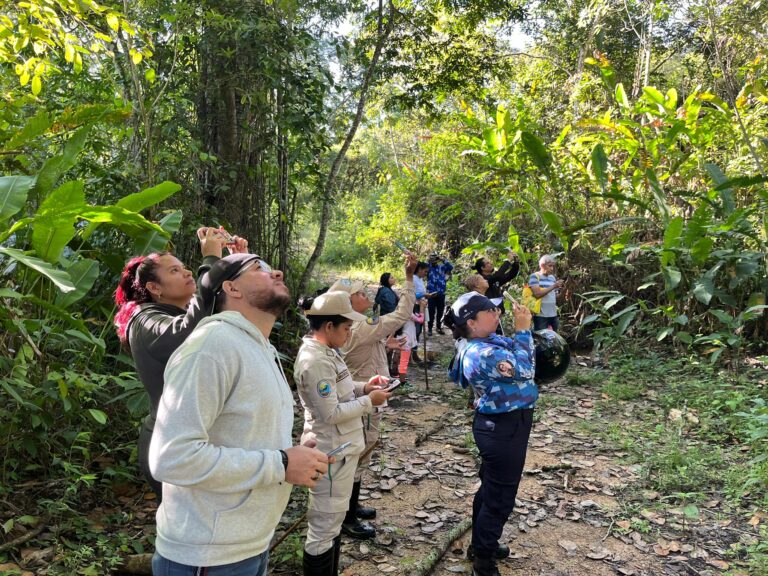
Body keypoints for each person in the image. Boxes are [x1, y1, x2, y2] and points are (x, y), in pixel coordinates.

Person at [149, 253, 330, 575]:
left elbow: (243, 434)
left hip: (245, 544)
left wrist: (294, 453)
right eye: (258, 268)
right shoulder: (212, 347)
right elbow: (170, 457)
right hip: (205, 555)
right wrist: (282, 463)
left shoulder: (258, 347)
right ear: (231, 288)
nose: (276, 271)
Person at [113, 227, 247, 501]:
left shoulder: (177, 312)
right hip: (171, 445)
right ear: (154, 288)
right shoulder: (144, 319)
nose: (187, 273)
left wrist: (236, 266)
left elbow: (225, 311)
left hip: (194, 439)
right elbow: (186, 334)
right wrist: (210, 260)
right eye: (174, 271)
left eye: (186, 268)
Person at [295, 291, 392, 574]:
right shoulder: (316, 361)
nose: (350, 334)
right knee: (324, 528)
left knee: (332, 523)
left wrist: (365, 387)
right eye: (347, 328)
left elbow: (339, 392)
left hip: (342, 450)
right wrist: (368, 402)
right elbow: (331, 412)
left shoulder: (328, 353)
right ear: (329, 327)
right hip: (331, 452)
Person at [447, 291, 537, 576]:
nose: (498, 313)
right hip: (501, 429)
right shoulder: (481, 352)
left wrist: (522, 334)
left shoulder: (490, 341)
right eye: (490, 310)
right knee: (500, 498)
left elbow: (516, 351)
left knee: (491, 490)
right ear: (472, 323)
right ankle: (483, 563)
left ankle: (480, 544)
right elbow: (524, 369)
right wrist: (523, 330)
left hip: (510, 425)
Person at [330, 252, 418, 538]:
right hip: (363, 397)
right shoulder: (360, 325)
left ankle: (351, 508)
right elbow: (403, 314)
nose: (365, 294)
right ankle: (346, 516)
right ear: (347, 302)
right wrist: (408, 278)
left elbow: (363, 349)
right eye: (359, 293)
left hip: (360, 394)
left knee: (361, 452)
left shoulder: (351, 326)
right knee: (358, 454)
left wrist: (385, 345)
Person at [529, 254, 564, 332]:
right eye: (550, 266)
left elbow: (554, 296)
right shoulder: (535, 276)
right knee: (541, 341)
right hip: (541, 316)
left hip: (553, 315)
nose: (552, 269)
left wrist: (565, 292)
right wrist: (554, 286)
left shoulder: (552, 278)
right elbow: (537, 294)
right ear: (542, 265)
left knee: (554, 340)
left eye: (553, 266)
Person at [426, 253, 453, 335]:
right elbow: (421, 266)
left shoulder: (441, 267)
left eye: (435, 259)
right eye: (432, 259)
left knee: (440, 311)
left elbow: (451, 267)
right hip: (431, 293)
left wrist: (442, 259)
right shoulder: (428, 267)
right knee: (431, 311)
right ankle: (430, 328)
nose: (433, 261)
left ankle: (438, 327)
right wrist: (429, 259)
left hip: (441, 292)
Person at [412, 261, 429, 364]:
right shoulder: (413, 279)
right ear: (419, 269)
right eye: (425, 271)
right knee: (415, 330)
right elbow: (412, 294)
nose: (425, 274)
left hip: (421, 306)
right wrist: (424, 295)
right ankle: (412, 354)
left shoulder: (420, 279)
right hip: (415, 306)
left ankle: (414, 353)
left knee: (418, 331)